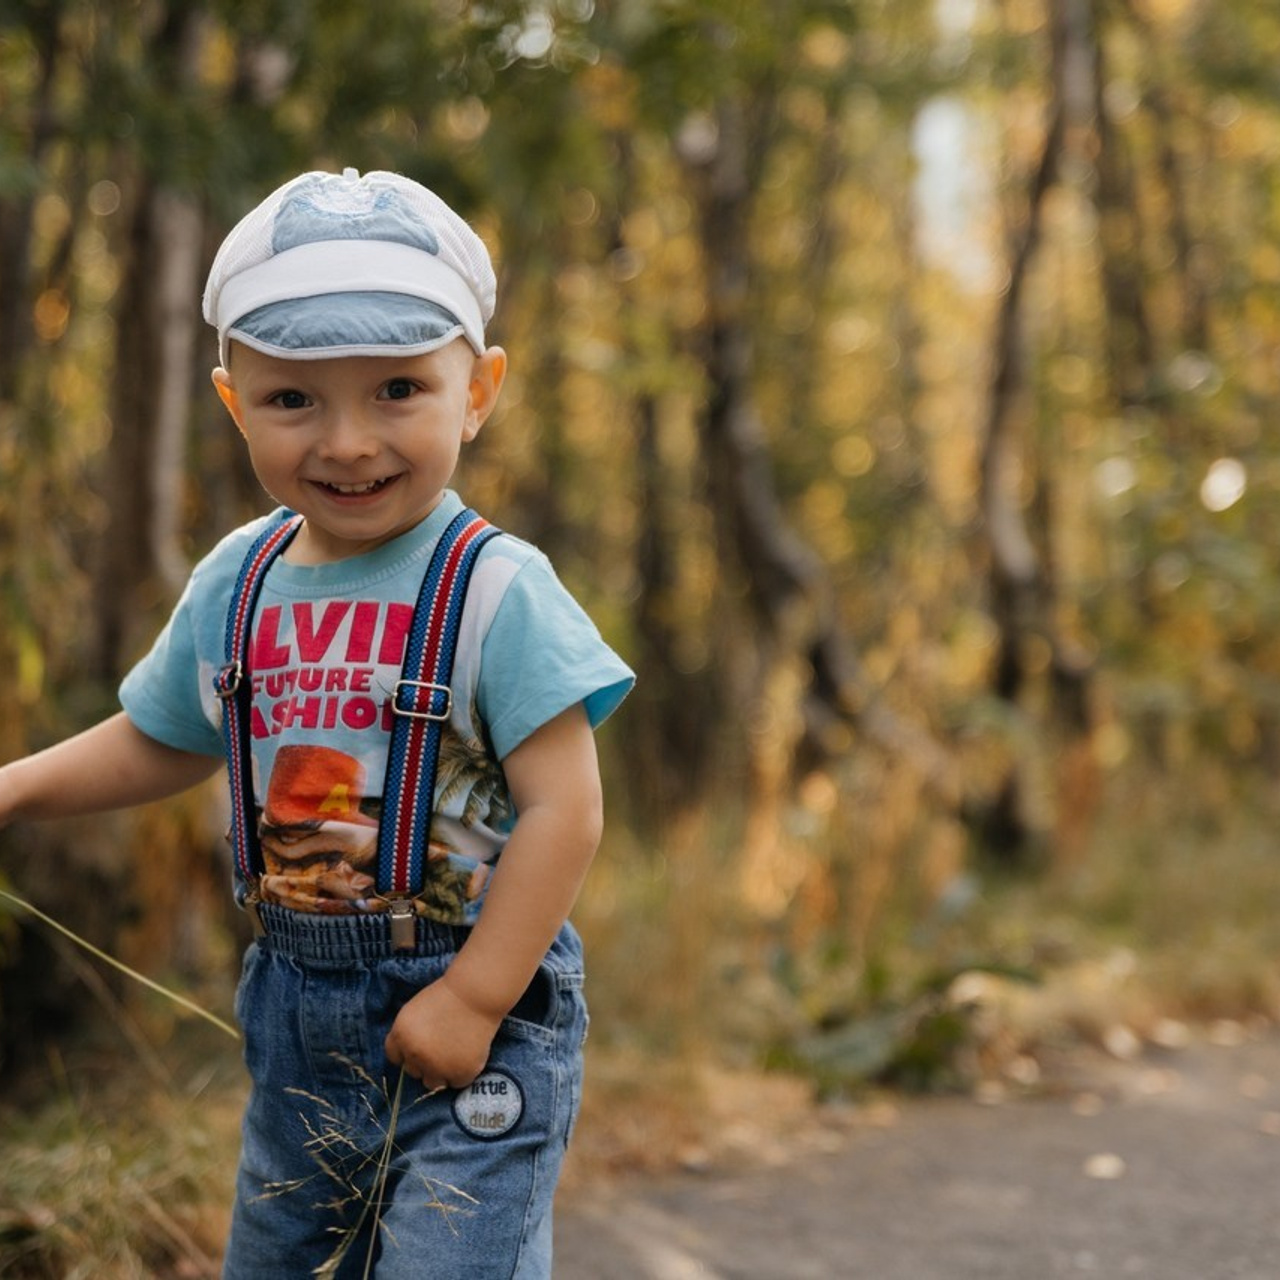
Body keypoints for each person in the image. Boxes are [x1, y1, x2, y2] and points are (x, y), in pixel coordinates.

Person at [0, 167, 634, 1278]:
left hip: (471, 1006)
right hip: (297, 1005)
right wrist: (17, 784)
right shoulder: (237, 579)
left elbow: (565, 808)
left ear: (476, 390)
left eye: (396, 388)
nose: (346, 441)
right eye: (295, 399)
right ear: (235, 401)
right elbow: (163, 737)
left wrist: (475, 993)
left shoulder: (493, 587)